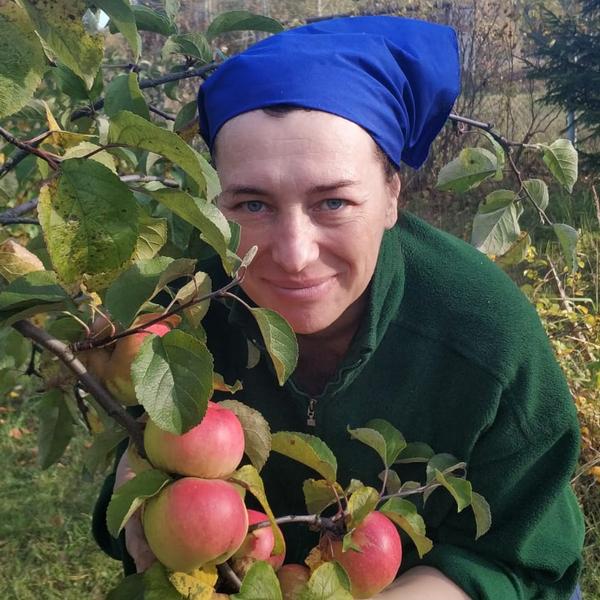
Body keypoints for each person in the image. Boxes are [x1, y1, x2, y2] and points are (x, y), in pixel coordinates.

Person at [93, 15, 585, 599]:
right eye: (252, 204)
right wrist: (142, 495)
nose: (295, 255)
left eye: (332, 202)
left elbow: (527, 558)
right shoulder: (183, 306)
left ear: (392, 195)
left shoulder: (485, 330)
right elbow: (134, 476)